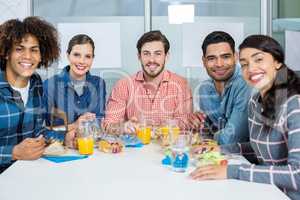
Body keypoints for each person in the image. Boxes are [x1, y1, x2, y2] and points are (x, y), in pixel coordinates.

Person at [190, 35, 300, 200]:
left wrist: (232, 171)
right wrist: (221, 149)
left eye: (259, 60)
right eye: (245, 64)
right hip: (266, 192)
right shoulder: (256, 102)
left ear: (277, 62)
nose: (251, 69)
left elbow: (297, 175)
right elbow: (259, 149)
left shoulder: (294, 104)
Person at [0, 17, 60, 173]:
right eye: (19, 48)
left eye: (34, 49)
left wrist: (64, 137)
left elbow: (38, 132)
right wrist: (13, 152)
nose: (28, 56)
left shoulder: (36, 83)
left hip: (28, 175)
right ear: (7, 53)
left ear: (41, 56)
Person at [103, 30, 193, 134]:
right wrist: (123, 127)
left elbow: (185, 124)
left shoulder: (181, 85)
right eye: (146, 54)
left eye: (157, 54)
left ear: (166, 56)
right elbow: (109, 124)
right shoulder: (124, 85)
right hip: (134, 149)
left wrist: (157, 129)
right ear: (139, 56)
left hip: (167, 148)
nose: (152, 60)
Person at [189, 31, 251, 145]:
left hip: (245, 159)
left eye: (225, 57)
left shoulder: (245, 84)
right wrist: (198, 124)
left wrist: (208, 139)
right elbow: (206, 133)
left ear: (236, 56)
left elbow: (231, 139)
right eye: (212, 58)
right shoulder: (204, 90)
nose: (219, 64)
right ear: (204, 61)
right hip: (217, 157)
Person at [43, 34, 106, 137]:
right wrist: (75, 125)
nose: (82, 61)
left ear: (92, 59)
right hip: (60, 149)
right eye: (76, 55)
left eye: (87, 56)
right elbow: (41, 131)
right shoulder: (49, 85)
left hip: (91, 148)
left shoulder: (98, 84)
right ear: (68, 55)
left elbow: (98, 124)